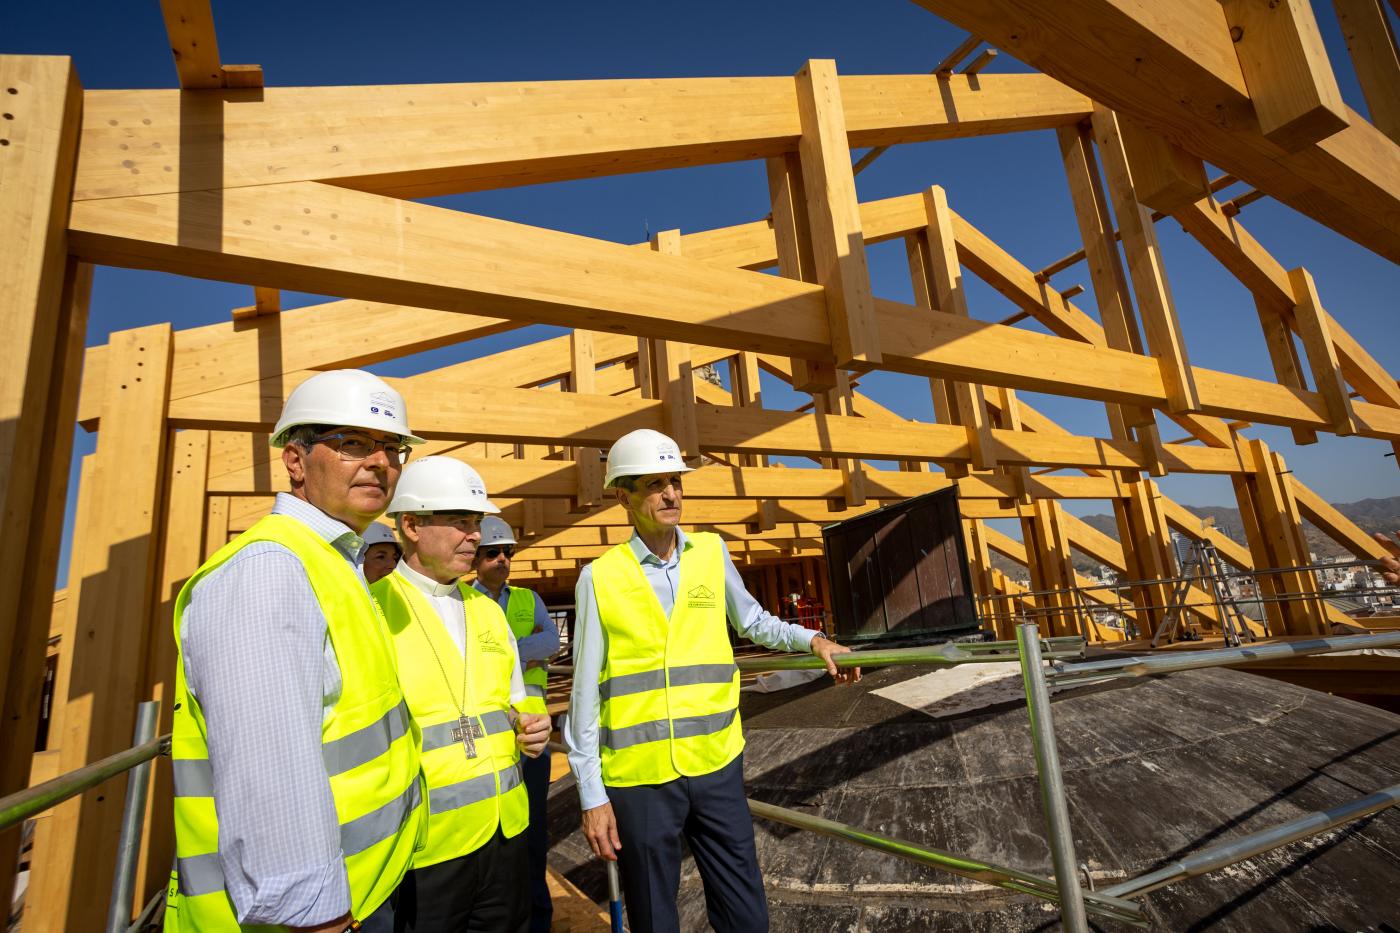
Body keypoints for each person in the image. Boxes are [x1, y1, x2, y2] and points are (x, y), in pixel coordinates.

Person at [565, 428, 859, 933]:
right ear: (624, 497)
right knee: (655, 916)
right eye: (654, 484)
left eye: (675, 481)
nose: (671, 494)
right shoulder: (600, 577)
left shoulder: (710, 552)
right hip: (640, 778)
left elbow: (754, 621)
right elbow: (585, 693)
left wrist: (814, 641)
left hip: (717, 764)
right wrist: (592, 795)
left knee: (745, 912)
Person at [166, 369, 426, 932]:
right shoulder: (268, 571)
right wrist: (315, 917)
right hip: (314, 916)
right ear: (294, 458)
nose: (380, 462)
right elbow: (268, 776)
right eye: (354, 443)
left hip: (367, 887)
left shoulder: (332, 562)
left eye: (393, 448)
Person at [371, 457, 552, 933]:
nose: (475, 535)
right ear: (410, 525)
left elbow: (517, 700)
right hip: (424, 849)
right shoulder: (373, 611)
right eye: (460, 521)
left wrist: (533, 726)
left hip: (505, 833)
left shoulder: (487, 612)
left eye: (476, 523)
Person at [472, 515, 560, 933]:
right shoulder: (461, 601)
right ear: (476, 558)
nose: (503, 559)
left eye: (508, 552)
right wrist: (523, 651)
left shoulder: (527, 598)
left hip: (533, 733)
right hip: (488, 735)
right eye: (493, 553)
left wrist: (503, 648)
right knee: (495, 835)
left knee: (535, 830)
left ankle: (537, 919)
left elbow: (551, 642)